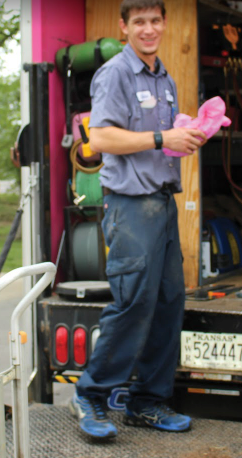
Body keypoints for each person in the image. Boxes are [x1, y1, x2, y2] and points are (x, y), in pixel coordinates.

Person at [69, 0, 209, 439]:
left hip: (162, 203)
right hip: (130, 208)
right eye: (139, 22)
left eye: (155, 21)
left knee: (168, 304)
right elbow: (102, 137)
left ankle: (147, 403)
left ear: (164, 24)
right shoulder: (114, 73)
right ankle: (90, 396)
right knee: (131, 305)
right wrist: (161, 136)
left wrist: (184, 135)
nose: (148, 29)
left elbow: (156, 142)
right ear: (124, 26)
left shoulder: (163, 76)